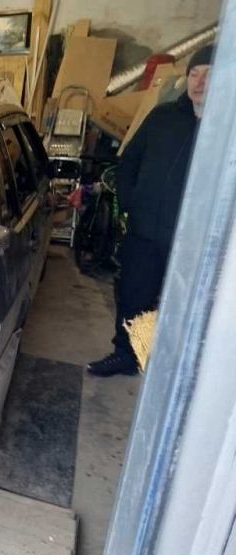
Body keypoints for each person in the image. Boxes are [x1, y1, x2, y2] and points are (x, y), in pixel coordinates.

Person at [87, 45, 214, 377]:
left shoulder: (225, 130)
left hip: (194, 241)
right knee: (133, 295)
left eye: (208, 75)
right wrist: (130, 202)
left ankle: (177, 373)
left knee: (187, 306)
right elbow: (128, 161)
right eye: (194, 74)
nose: (199, 82)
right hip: (145, 232)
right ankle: (127, 355)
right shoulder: (162, 118)